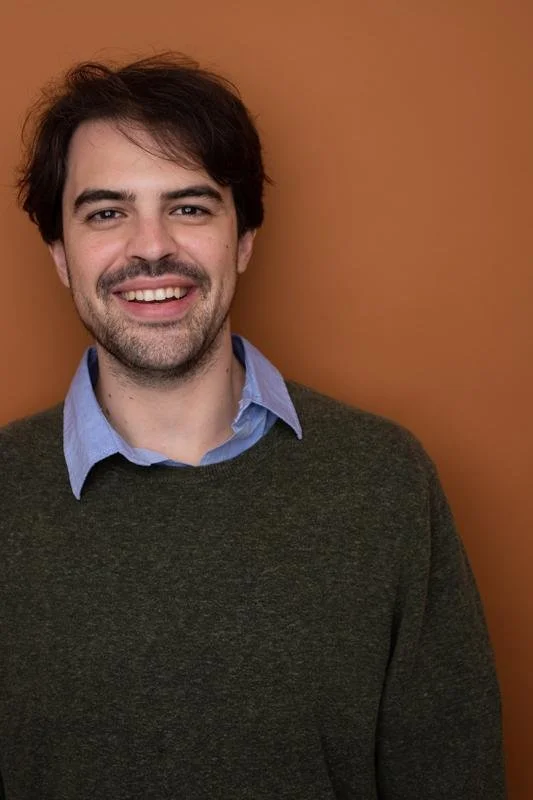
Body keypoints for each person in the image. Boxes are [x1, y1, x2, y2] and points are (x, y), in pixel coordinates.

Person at [1, 53, 504, 799]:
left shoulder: (383, 482)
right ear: (60, 256)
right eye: (106, 213)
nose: (150, 246)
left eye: (190, 207)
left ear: (243, 240)